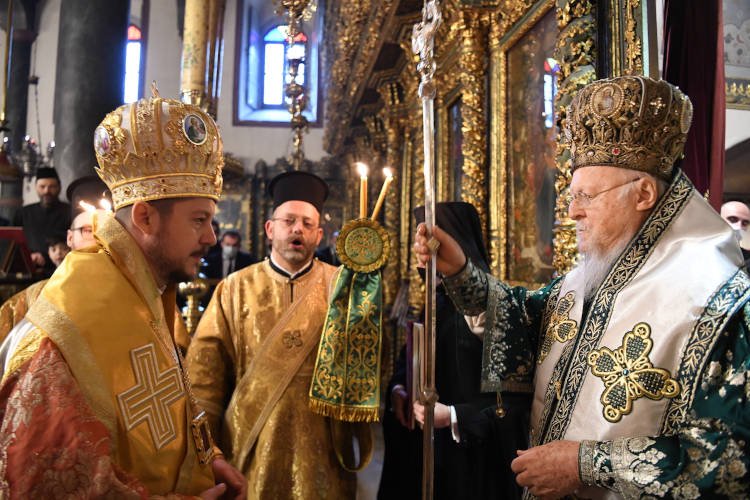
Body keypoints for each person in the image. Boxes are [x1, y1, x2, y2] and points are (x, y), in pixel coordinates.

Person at [414, 75, 749, 498]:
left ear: (643, 193)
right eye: (571, 196)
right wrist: (461, 271)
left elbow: (730, 459)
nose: (573, 212)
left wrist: (585, 464)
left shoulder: (717, 300)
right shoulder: (590, 277)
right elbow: (525, 319)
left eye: (586, 196)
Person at [0, 94, 246, 498]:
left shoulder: (141, 288)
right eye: (199, 220)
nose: (211, 237)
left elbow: (165, 411)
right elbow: (41, 481)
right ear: (145, 217)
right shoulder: (72, 321)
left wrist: (208, 460)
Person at [186, 170, 361, 499]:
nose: (297, 229)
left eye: (307, 224)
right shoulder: (235, 288)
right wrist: (209, 453)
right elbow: (204, 378)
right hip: (251, 446)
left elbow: (362, 369)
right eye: (289, 221)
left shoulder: (343, 288)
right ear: (270, 229)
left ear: (319, 234)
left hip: (323, 450)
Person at [378, 202, 530, 500]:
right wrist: (399, 388)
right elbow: (411, 356)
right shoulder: (435, 302)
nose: (422, 255)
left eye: (431, 246)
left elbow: (512, 401)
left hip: (471, 461)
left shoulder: (492, 308)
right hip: (427, 450)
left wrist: (453, 416)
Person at [0, 209, 98, 345]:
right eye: (88, 231)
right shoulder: (32, 296)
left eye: (103, 231)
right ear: (70, 238)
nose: (97, 238)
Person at [13, 167, 71, 270]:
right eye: (42, 186)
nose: (46, 191)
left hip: (61, 270)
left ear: (59, 187)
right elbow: (14, 243)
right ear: (36, 187)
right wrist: (29, 256)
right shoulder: (22, 213)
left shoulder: (70, 212)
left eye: (52, 186)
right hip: (30, 270)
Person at [720, 200, 750, 265]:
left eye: (744, 223)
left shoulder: (747, 259)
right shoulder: (702, 252)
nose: (739, 226)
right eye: (733, 219)